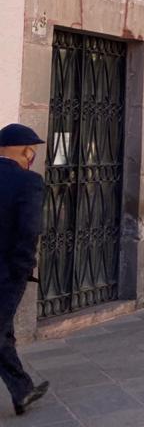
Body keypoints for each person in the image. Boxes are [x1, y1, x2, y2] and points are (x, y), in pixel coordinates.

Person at [0, 124, 49, 415]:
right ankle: (22, 389)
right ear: (26, 151)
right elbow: (30, 229)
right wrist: (23, 266)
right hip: (8, 272)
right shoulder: (29, 181)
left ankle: (22, 390)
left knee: (3, 329)